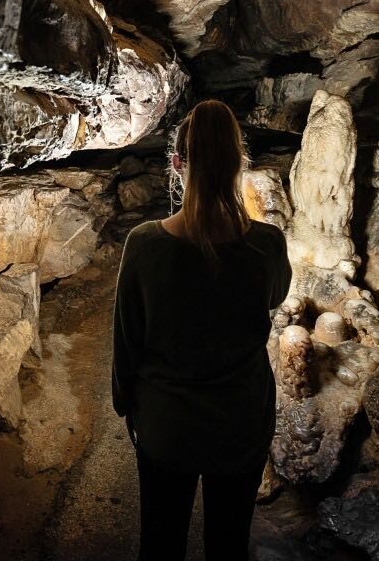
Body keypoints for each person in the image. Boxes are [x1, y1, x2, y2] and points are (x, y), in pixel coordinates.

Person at [111, 100, 293, 561]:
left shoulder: (145, 245)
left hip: (167, 426)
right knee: (229, 545)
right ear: (239, 165)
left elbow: (126, 341)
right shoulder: (267, 243)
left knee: (161, 542)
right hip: (240, 424)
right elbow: (275, 297)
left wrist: (126, 404)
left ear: (176, 165)